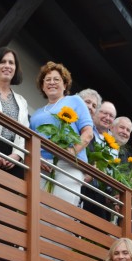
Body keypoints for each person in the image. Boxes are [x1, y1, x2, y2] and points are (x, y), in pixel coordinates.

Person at [30, 61, 93, 206]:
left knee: (62, 211)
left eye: (56, 79)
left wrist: (71, 152)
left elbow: (88, 133)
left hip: (68, 165)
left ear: (65, 85)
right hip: (42, 167)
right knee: (38, 211)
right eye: (47, 80)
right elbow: (30, 141)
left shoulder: (75, 101)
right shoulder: (37, 113)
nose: (52, 82)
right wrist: (38, 158)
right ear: (42, 86)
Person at [0, 47, 29, 176]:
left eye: (11, 63)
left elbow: (25, 132)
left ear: (15, 69)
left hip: (13, 158)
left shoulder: (22, 101)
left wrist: (17, 155)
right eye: (3, 62)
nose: (7, 66)